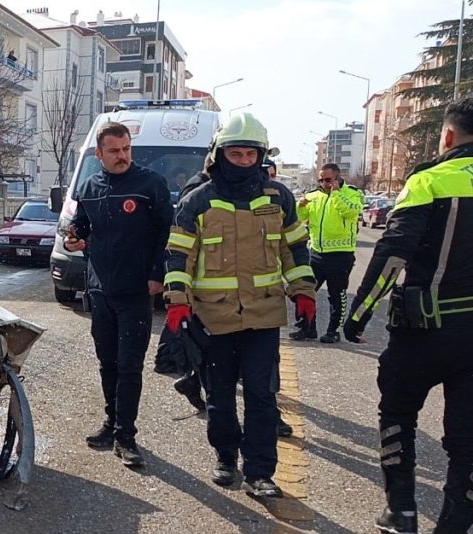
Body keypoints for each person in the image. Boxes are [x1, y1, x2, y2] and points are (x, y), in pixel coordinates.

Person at [343, 96, 473, 534]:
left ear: (448, 135)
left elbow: (392, 253)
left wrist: (357, 314)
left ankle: (401, 512)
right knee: (468, 441)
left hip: (424, 329)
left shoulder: (429, 181)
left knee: (398, 413)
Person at [164, 112, 316, 497]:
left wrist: (304, 291)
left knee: (262, 396)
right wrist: (178, 302)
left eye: (251, 154)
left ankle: (260, 472)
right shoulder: (197, 201)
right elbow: (178, 256)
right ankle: (226, 456)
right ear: (219, 154)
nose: (244, 161)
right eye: (237, 153)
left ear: (261, 156)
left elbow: (294, 248)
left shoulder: (278, 198)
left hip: (263, 316)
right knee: (220, 396)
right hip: (214, 318)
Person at [63, 121, 172, 468]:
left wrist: (158, 275)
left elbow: (164, 233)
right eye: (114, 151)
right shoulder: (90, 186)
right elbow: (80, 225)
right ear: (100, 154)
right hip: (99, 289)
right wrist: (72, 238)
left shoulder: (149, 184)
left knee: (129, 365)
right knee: (107, 363)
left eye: (126, 149)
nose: (122, 156)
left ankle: (126, 436)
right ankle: (110, 424)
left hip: (135, 291)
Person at [290, 163, 364, 343]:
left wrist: (336, 193)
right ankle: (307, 328)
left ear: (337, 178)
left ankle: (334, 331)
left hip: (340, 254)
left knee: (336, 294)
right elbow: (300, 219)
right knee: (306, 291)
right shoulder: (314, 196)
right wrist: (300, 206)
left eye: (328, 180)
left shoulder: (353, 193)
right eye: (321, 180)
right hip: (316, 253)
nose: (323, 183)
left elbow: (351, 211)